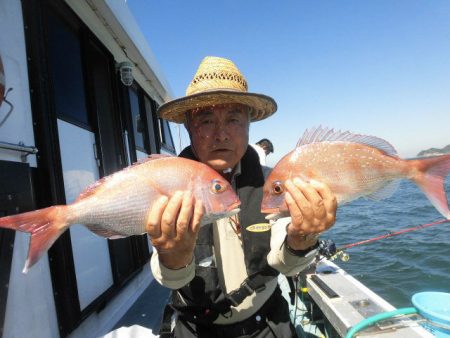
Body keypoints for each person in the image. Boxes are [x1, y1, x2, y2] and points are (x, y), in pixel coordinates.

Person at [147, 56, 337, 338]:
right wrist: (172, 257)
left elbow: (286, 263)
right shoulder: (166, 186)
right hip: (195, 328)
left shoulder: (275, 184)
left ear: (249, 124)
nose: (221, 134)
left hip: (267, 324)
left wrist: (302, 239)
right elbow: (171, 278)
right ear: (189, 127)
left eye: (233, 119)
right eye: (206, 120)